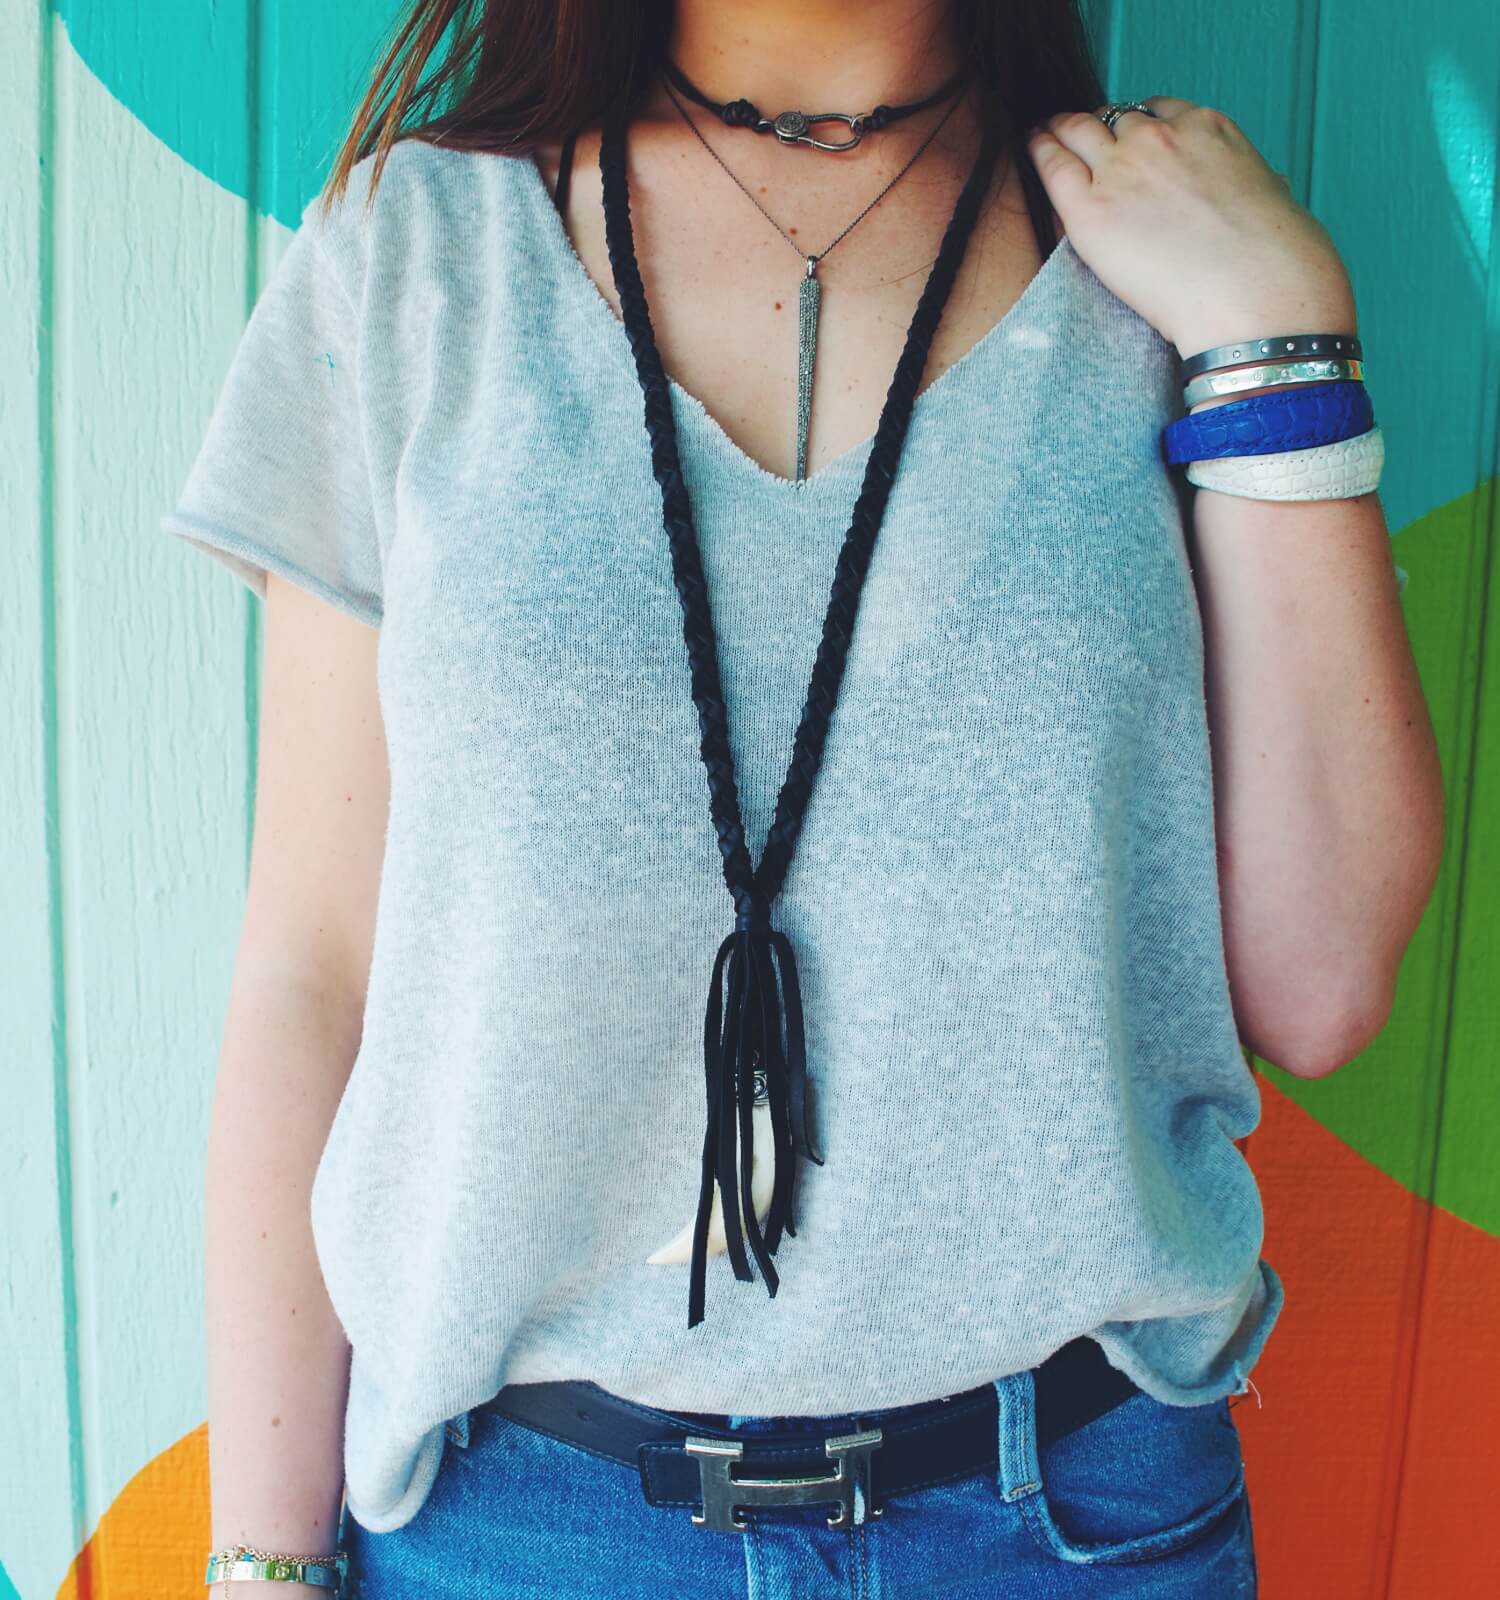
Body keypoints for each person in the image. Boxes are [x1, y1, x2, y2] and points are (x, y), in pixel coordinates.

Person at [166, 1, 1444, 1596]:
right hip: (523, 1534)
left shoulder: (1161, 255)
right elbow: (314, 980)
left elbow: (1321, 986)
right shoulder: (415, 257)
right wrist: (264, 1568)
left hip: (1066, 1529)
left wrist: (1280, 342)